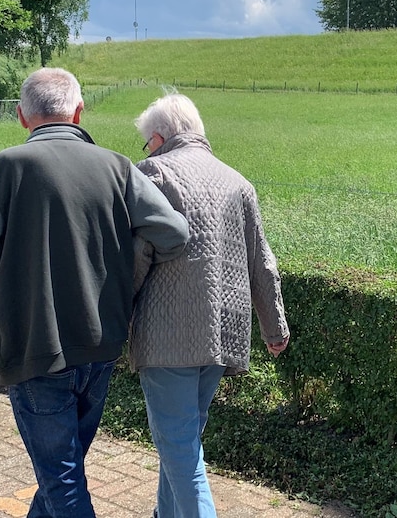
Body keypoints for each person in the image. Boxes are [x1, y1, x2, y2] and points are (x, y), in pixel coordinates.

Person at [0, 67, 190, 518]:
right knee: (61, 474)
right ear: (78, 112)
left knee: (62, 482)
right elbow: (174, 232)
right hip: (101, 348)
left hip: (35, 352)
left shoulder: (10, 167)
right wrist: (123, 256)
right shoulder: (116, 166)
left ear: (21, 116)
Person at [131, 92, 290, 518]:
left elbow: (136, 257)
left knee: (180, 451)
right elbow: (264, 262)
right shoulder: (238, 181)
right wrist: (274, 329)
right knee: (183, 444)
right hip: (225, 333)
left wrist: (109, 316)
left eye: (146, 142)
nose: (146, 150)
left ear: (160, 138)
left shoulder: (154, 172)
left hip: (169, 335)